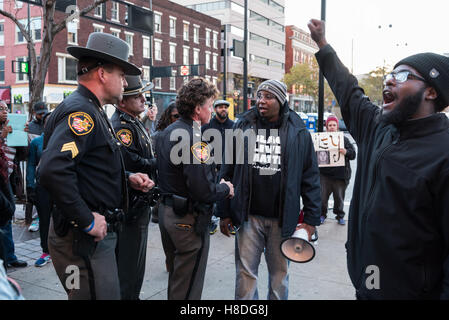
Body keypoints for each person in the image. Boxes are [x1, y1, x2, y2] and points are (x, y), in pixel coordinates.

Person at [308, 19, 449, 299]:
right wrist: (323, 46)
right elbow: (348, 91)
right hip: (366, 284)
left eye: (403, 75)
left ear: (431, 92)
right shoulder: (378, 127)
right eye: (390, 74)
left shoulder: (443, 154)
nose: (389, 79)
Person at [39, 32, 154, 300]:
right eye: (122, 75)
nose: (125, 82)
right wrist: (87, 219)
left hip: (86, 238)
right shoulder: (82, 113)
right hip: (81, 241)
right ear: (102, 74)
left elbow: (84, 168)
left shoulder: (92, 109)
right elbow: (51, 169)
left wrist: (127, 178)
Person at [217, 79, 321, 300]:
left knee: (279, 277)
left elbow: (310, 176)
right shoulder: (242, 124)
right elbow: (227, 170)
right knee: (245, 275)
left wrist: (311, 220)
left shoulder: (298, 130)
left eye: (268, 96)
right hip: (248, 216)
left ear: (281, 100)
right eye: (259, 96)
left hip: (282, 219)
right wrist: (224, 212)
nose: (261, 101)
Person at [155, 77, 234, 300]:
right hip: (187, 220)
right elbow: (204, 190)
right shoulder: (194, 139)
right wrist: (224, 188)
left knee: (177, 278)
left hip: (167, 214)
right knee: (188, 287)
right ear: (198, 109)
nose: (211, 109)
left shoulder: (166, 132)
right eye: (210, 105)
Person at [111, 75, 157, 300]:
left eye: (142, 94)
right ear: (122, 102)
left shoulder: (132, 120)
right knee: (129, 264)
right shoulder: (122, 125)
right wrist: (159, 162)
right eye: (136, 96)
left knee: (136, 262)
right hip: (132, 203)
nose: (142, 98)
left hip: (140, 202)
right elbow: (131, 162)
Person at [0, 101, 27, 269]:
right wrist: (2, 135)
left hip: (6, 180)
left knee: (7, 217)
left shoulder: (11, 127)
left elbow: (23, 155)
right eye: (0, 109)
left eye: (5, 108)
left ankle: (9, 256)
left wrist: (22, 135)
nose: (4, 111)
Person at [201, 99, 234, 235]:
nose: (223, 109)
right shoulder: (207, 126)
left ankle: (229, 221)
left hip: (228, 166)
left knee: (228, 193)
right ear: (215, 109)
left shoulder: (234, 126)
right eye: (220, 107)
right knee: (211, 194)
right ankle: (211, 222)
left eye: (225, 107)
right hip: (211, 167)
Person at [25, 111, 53, 267]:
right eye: (48, 121)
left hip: (62, 188)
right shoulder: (37, 143)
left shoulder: (64, 141)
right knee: (44, 220)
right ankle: (46, 251)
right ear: (44, 124)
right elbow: (30, 165)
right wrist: (30, 186)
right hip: (42, 188)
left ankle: (62, 251)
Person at [319, 115, 356, 225]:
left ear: (337, 126)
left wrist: (346, 152)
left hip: (340, 175)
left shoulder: (344, 139)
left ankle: (340, 215)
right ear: (326, 127)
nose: (332, 127)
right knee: (322, 198)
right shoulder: (320, 139)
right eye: (329, 125)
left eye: (334, 125)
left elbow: (353, 154)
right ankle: (322, 215)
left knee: (339, 198)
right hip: (324, 175)